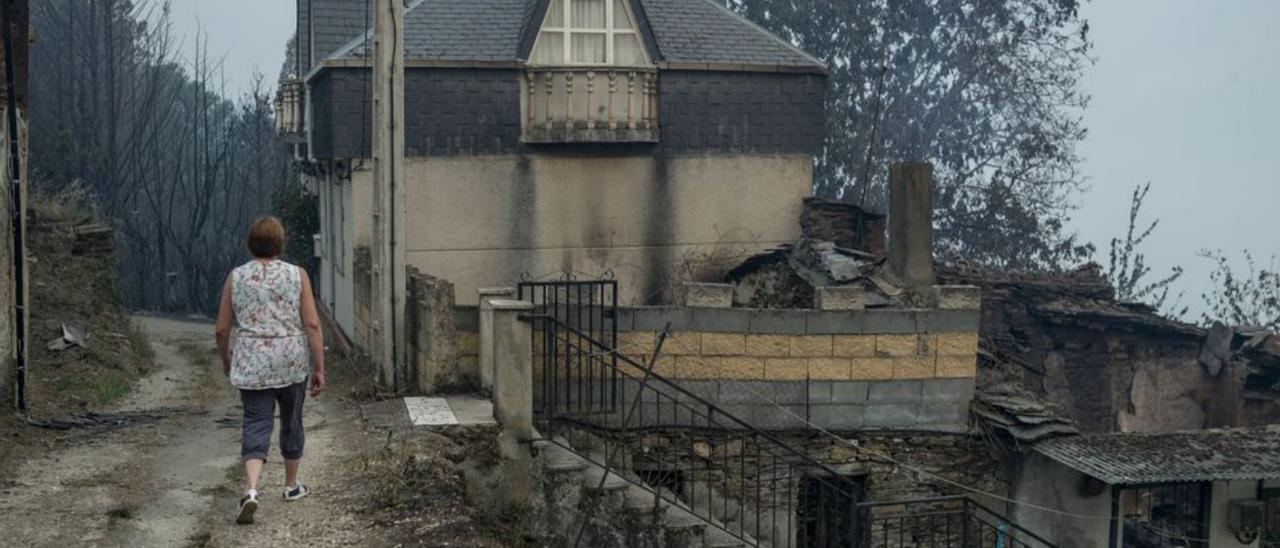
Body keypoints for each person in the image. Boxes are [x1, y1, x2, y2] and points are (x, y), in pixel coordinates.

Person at [215, 216, 326, 525]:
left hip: (252, 364)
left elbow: (222, 329)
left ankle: (251, 490)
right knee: (292, 420)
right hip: (290, 362)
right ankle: (290, 486)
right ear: (280, 242)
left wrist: (227, 361)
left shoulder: (236, 277)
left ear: (251, 243)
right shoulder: (297, 275)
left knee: (255, 424)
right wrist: (319, 368)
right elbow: (313, 324)